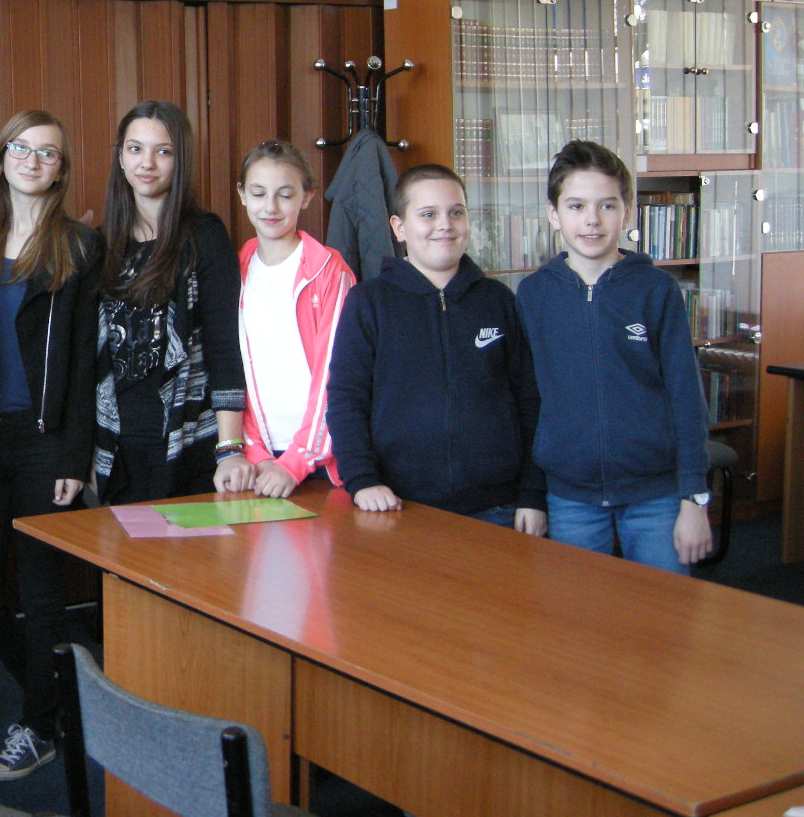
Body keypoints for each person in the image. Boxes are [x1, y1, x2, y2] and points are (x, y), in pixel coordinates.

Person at [0, 110, 101, 781]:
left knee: (42, 596)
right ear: (1, 156)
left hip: (46, 442)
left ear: (61, 169)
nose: (33, 161)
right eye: (21, 147)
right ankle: (61, 695)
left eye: (49, 152)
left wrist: (75, 454)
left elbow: (84, 359)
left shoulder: (79, 246)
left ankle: (39, 723)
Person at [516, 140, 711, 571]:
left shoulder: (656, 290)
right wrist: (532, 494)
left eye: (607, 206)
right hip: (570, 495)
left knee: (664, 607)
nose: (592, 219)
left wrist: (694, 497)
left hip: (656, 493)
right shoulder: (533, 295)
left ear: (627, 212)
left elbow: (685, 396)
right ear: (553, 214)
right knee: (580, 609)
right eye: (576, 206)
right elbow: (528, 401)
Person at [325, 163, 545, 531]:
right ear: (399, 227)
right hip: (396, 504)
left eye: (456, 212)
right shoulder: (369, 303)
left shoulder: (498, 300)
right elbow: (346, 399)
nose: (445, 224)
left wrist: (533, 494)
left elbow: (530, 400)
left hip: (499, 506)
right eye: (428, 214)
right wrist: (362, 480)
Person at [93, 100, 250, 503]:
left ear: (180, 161)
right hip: (115, 447)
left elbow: (224, 347)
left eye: (163, 151)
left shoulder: (204, 236)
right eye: (135, 149)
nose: (147, 162)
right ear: (121, 158)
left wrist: (230, 449)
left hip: (188, 439)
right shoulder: (101, 243)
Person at [235, 140, 355, 497]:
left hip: (320, 462)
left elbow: (337, 373)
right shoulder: (236, 267)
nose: (270, 207)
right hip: (259, 461)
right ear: (242, 195)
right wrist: (256, 455)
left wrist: (296, 461)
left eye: (285, 195)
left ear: (306, 197)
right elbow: (234, 368)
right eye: (259, 193)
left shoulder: (330, 271)